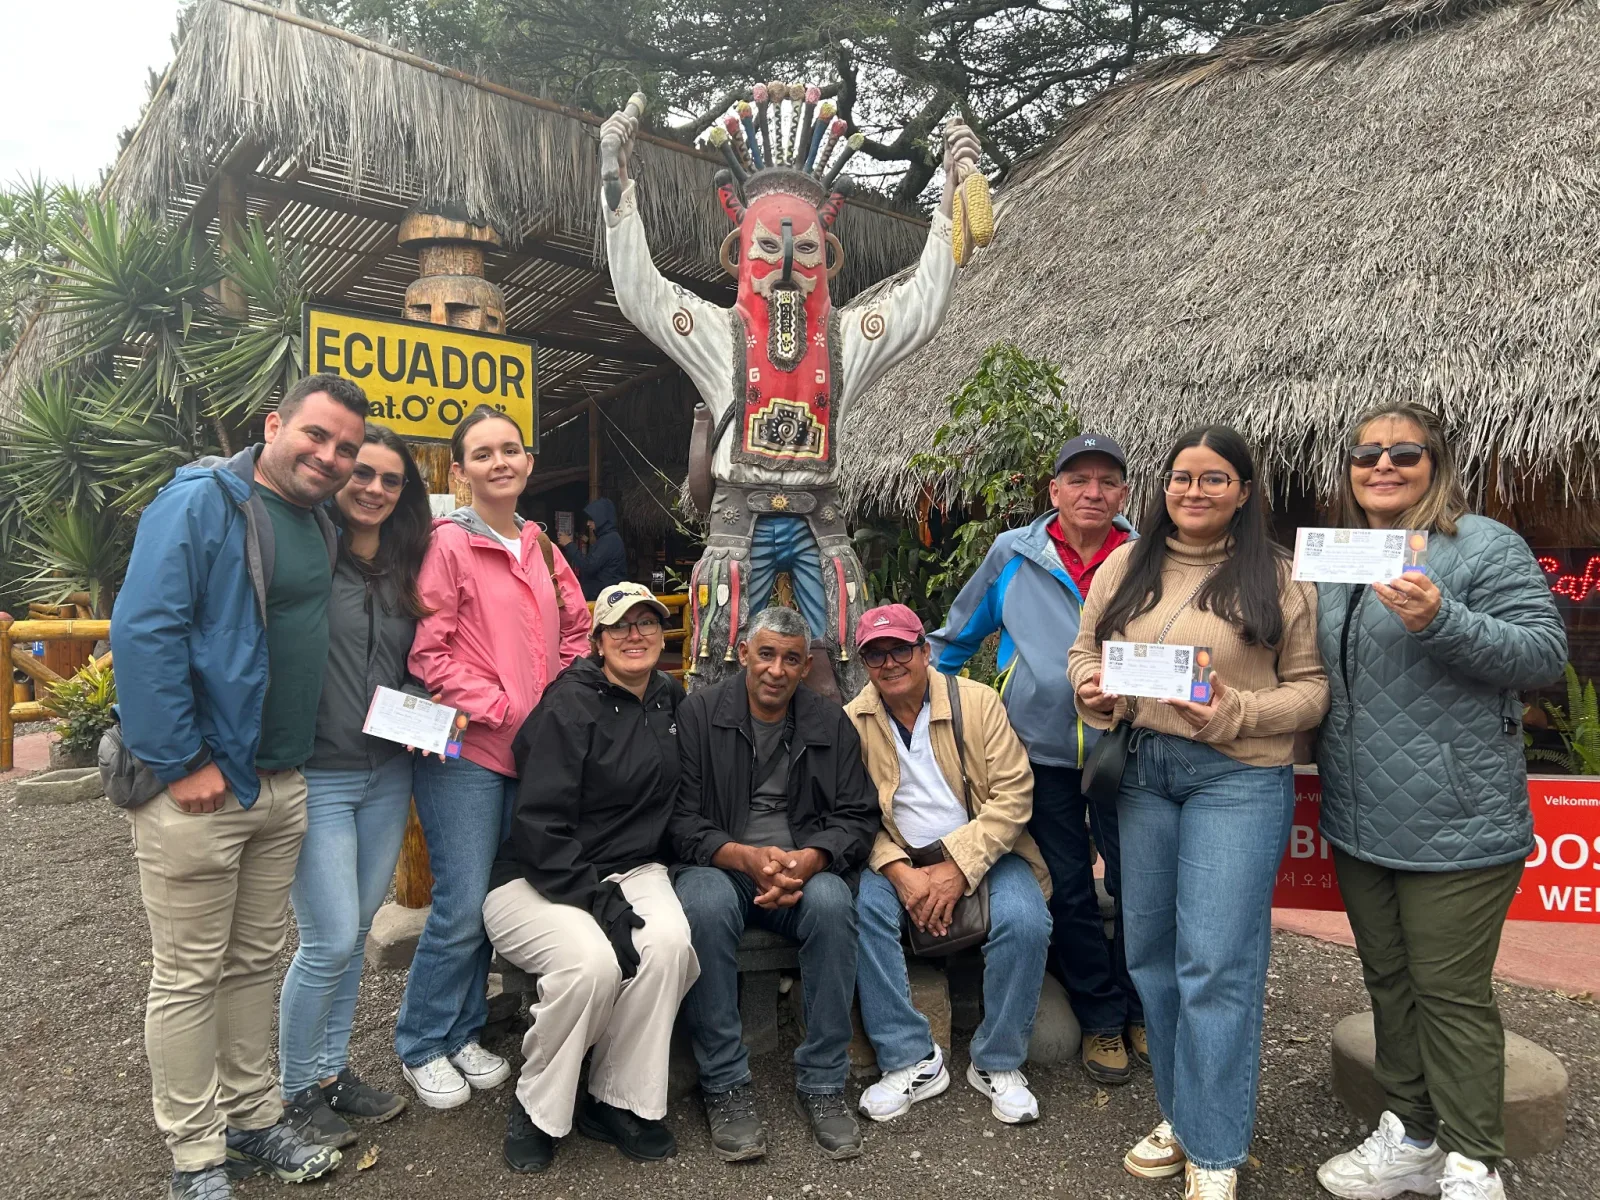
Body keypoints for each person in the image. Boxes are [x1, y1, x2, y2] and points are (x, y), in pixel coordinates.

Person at [111, 374, 370, 1200]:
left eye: (346, 449)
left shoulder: (318, 524)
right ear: (275, 425)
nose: (329, 457)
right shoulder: (201, 504)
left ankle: (254, 1119)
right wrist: (183, 762)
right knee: (188, 973)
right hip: (202, 787)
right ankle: (196, 1158)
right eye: (317, 437)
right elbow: (144, 629)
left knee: (253, 962)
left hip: (280, 782)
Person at [1311, 404, 1565, 1200]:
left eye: (1404, 453)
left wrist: (1443, 619)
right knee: (1388, 979)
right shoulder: (1340, 559)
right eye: (1367, 454)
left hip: (1458, 817)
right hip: (1360, 812)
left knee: (1451, 994)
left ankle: (1470, 1159)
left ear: (1438, 462)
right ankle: (1411, 1133)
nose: (1382, 466)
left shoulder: (1482, 544)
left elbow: (1544, 654)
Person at [1067, 425, 1329, 1200]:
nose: (1194, 491)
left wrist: (1236, 713)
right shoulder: (1126, 563)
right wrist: (1090, 687)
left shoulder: (1277, 577)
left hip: (1238, 779)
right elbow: (1086, 652)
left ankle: (1214, 1147)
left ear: (1244, 492)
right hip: (1145, 774)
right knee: (1151, 952)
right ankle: (1183, 1115)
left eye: (1215, 480)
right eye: (1183, 478)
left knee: (1216, 962)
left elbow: (1312, 689)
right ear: (1164, 486)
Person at [931, 431, 1144, 1084]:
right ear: (1053, 492)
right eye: (1078, 480)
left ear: (1124, 493)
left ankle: (1140, 1005)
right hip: (1039, 756)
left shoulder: (1146, 559)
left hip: (1126, 746)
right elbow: (955, 638)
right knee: (1072, 888)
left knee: (1140, 885)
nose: (1092, 492)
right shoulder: (1013, 555)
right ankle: (1102, 1017)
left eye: (1107, 481)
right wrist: (928, 724)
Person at [396, 405, 591, 1109]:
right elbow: (429, 653)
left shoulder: (539, 545)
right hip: (469, 749)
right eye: (483, 454)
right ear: (460, 472)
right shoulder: (446, 544)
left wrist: (561, 699)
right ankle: (422, 1041)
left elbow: (578, 627)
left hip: (534, 754)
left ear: (527, 463)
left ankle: (463, 1029)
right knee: (459, 901)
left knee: (496, 896)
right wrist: (509, 707)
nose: (499, 462)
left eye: (510, 449)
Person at [485, 582, 697, 1174]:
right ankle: (537, 1105)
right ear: (598, 640)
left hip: (632, 870)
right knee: (592, 964)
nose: (636, 635)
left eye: (648, 623)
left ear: (663, 634)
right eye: (620, 626)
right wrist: (597, 901)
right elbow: (538, 825)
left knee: (668, 945)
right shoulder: (568, 706)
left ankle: (618, 1099)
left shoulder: (668, 698)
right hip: (538, 876)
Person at [670, 606, 880, 1162]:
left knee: (835, 903)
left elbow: (858, 815)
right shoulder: (699, 714)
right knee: (704, 904)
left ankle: (824, 1081)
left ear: (805, 665)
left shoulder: (827, 720)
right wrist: (740, 855)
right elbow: (681, 819)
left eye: (791, 659)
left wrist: (811, 859)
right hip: (724, 865)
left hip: (800, 868)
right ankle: (725, 1083)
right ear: (743, 655)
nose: (776, 670)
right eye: (766, 654)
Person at [275, 425, 432, 1148]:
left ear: (404, 493)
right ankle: (293, 1088)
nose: (371, 488)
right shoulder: (310, 555)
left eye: (389, 480)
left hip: (388, 770)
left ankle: (333, 1073)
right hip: (320, 772)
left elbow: (416, 662)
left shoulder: (407, 567)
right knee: (329, 936)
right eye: (360, 473)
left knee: (356, 929)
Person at [846, 604, 1053, 1126]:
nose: (890, 662)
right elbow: (847, 815)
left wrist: (959, 866)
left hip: (982, 848)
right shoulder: (851, 722)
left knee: (1026, 919)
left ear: (925, 651)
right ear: (864, 662)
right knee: (859, 910)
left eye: (900, 649)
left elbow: (1013, 795)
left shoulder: (977, 703)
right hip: (898, 858)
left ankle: (998, 1062)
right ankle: (910, 1059)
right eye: (876, 653)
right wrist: (899, 871)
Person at [558, 497, 629, 600]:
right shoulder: (605, 539)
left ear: (602, 519)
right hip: (603, 596)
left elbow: (588, 567)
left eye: (592, 519)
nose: (588, 523)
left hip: (607, 599)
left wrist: (569, 545)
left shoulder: (609, 540)